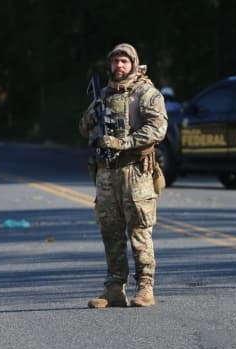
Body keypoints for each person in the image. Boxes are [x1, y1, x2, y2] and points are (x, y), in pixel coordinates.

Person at [79, 43, 168, 308]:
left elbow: (158, 128)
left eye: (124, 62)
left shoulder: (147, 94)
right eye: (115, 61)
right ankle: (114, 288)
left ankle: (145, 288)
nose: (119, 66)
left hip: (136, 171)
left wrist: (125, 142)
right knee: (110, 231)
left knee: (140, 231)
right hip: (106, 173)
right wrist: (90, 118)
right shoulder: (103, 96)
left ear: (133, 64)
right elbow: (84, 129)